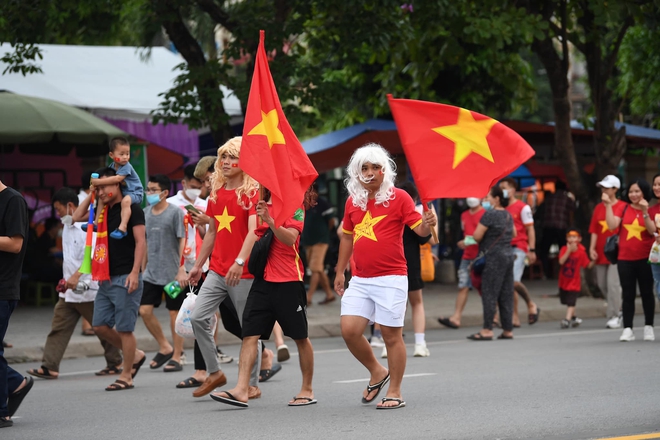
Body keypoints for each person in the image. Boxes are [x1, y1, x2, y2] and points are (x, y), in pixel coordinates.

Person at [334, 144, 436, 410]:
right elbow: (347, 236)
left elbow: (421, 232)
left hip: (391, 278)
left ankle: (395, 391)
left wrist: (428, 222)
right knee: (350, 331)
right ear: (356, 173)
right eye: (363, 169)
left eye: (374, 168)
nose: (369, 173)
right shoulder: (352, 202)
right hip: (360, 278)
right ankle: (378, 371)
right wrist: (339, 270)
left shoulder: (399, 197)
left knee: (391, 336)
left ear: (384, 171)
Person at [211, 187, 317, 408]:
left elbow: (290, 239)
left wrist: (269, 219)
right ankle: (241, 389)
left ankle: (307, 388)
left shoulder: (296, 207)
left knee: (300, 337)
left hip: (288, 280)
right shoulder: (260, 203)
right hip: (262, 281)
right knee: (249, 334)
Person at [187, 137, 263, 399]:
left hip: (244, 272)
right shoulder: (217, 192)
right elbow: (212, 232)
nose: (228, 163)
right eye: (224, 158)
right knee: (198, 318)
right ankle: (215, 372)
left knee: (248, 329)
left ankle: (252, 384)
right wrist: (198, 266)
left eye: (235, 158)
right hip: (217, 270)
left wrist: (239, 262)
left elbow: (254, 232)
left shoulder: (252, 192)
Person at [26, 188, 123, 380]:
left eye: (58, 209)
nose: (57, 213)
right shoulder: (67, 228)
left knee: (101, 327)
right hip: (69, 291)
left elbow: (96, 256)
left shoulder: (87, 228)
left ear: (70, 206)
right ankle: (49, 366)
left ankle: (121, 359)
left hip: (88, 289)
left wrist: (76, 277)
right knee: (59, 327)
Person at [75, 167, 147, 390]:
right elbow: (77, 217)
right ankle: (135, 355)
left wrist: (135, 272)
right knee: (99, 326)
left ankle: (126, 376)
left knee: (125, 329)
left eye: (106, 185)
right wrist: (92, 193)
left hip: (126, 275)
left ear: (118, 184)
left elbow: (141, 242)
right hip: (105, 276)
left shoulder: (132, 208)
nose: (103, 190)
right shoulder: (102, 210)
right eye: (100, 186)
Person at [381, 181, 436, 358]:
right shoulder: (413, 214)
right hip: (410, 264)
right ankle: (420, 343)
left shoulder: (387, 212)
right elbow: (432, 240)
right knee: (416, 303)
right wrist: (431, 220)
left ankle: (386, 345)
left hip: (390, 264)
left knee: (392, 306)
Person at [141, 175, 187, 372]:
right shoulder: (144, 213)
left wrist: (180, 268)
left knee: (174, 314)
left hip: (172, 274)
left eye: (153, 190)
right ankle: (164, 346)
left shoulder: (176, 213)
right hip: (151, 273)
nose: (149, 193)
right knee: (144, 310)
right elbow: (143, 243)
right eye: (148, 189)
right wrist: (141, 269)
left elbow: (182, 240)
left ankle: (177, 355)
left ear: (165, 193)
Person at [605, 179, 656, 342]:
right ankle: (628, 328)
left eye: (637, 191)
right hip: (625, 258)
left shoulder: (651, 209)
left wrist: (645, 211)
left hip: (645, 257)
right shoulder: (622, 207)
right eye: (631, 191)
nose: (633, 195)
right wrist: (607, 206)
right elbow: (612, 225)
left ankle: (649, 327)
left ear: (644, 192)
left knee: (647, 293)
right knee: (628, 295)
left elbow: (652, 230)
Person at [0, 179, 34, 428]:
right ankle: (15, 383)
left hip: (3, 287)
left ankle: (2, 410)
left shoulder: (13, 200)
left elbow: (15, 243)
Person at [467, 186, 516, 341]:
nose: (486, 200)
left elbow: (477, 236)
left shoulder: (490, 215)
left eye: (488, 197)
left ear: (497, 199)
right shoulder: (508, 215)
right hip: (508, 256)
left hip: (494, 257)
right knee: (506, 293)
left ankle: (487, 329)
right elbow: (514, 233)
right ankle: (508, 329)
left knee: (489, 293)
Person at [499, 178, 540, 326]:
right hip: (504, 248)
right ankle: (514, 316)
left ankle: (530, 304)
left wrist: (532, 250)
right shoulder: (501, 208)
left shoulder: (523, 207)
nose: (502, 191)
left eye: (505, 187)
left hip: (519, 247)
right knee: (509, 285)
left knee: (513, 282)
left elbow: (530, 229)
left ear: (513, 190)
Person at [438, 197, 484, 329]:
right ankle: (456, 317)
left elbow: (485, 236)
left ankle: (494, 316)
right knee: (463, 286)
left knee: (486, 288)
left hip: (482, 256)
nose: (471, 198)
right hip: (467, 256)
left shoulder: (486, 215)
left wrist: (467, 242)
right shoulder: (464, 215)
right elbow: (466, 234)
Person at [588, 175, 625, 329]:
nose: (603, 190)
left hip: (616, 251)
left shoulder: (622, 206)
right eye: (602, 187)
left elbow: (614, 225)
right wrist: (591, 248)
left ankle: (616, 314)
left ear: (615, 189)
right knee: (602, 284)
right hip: (601, 251)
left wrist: (609, 205)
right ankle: (618, 309)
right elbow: (594, 230)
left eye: (607, 187)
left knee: (613, 284)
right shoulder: (598, 207)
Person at [90, 137, 144, 240]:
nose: (125, 157)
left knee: (125, 202)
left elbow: (117, 179)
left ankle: (122, 228)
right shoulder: (111, 167)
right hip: (125, 192)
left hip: (135, 193)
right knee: (101, 200)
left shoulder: (126, 166)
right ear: (111, 155)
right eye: (122, 154)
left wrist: (98, 182)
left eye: (127, 154)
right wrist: (94, 185)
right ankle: (96, 223)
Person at [302, 183, 336, 305]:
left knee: (315, 268)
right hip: (308, 241)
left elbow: (331, 221)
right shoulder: (303, 204)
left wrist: (325, 232)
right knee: (318, 268)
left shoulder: (322, 203)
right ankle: (329, 294)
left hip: (321, 241)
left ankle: (308, 297)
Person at [558, 229, 595, 328]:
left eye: (574, 237)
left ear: (579, 239)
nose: (572, 239)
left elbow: (587, 265)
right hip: (564, 281)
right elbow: (561, 262)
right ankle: (574, 318)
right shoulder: (563, 249)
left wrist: (595, 260)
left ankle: (567, 320)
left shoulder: (581, 252)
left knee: (571, 302)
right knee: (566, 301)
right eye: (569, 237)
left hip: (574, 282)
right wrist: (569, 251)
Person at [538, 180, 575, 278]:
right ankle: (562, 272)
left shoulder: (549, 198)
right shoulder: (567, 199)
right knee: (563, 250)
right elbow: (571, 214)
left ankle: (546, 273)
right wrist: (570, 227)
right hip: (561, 227)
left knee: (544, 251)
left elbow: (541, 211)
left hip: (548, 226)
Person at [78, 171, 96, 336]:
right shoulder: (82, 199)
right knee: (87, 285)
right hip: (85, 242)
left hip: (92, 242)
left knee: (91, 286)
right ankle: (88, 324)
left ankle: (91, 324)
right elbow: (77, 218)